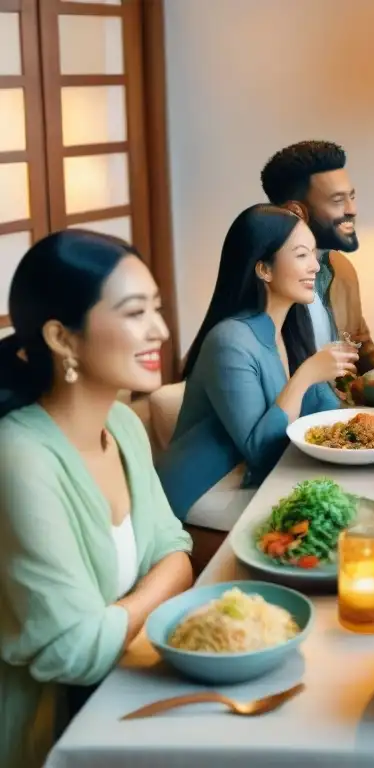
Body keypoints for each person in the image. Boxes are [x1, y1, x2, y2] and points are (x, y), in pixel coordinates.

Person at [0, 230, 193, 768]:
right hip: (44, 735)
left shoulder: (122, 426)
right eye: (135, 312)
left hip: (121, 689)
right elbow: (73, 650)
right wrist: (158, 587)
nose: (160, 329)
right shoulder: (21, 456)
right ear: (62, 338)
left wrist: (116, 616)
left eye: (156, 308)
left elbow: (176, 547)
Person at [156, 205, 357, 526]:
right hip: (207, 488)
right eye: (302, 255)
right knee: (334, 515)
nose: (315, 267)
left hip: (260, 478)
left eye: (313, 255)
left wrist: (371, 436)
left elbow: (327, 416)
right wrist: (305, 376)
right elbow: (261, 450)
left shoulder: (291, 327)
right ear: (264, 268)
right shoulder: (229, 341)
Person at [261, 139, 374, 371]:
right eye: (337, 201)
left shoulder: (341, 268)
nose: (351, 210)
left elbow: (361, 345)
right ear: (296, 211)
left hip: (341, 404)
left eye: (351, 197)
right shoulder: (265, 281)